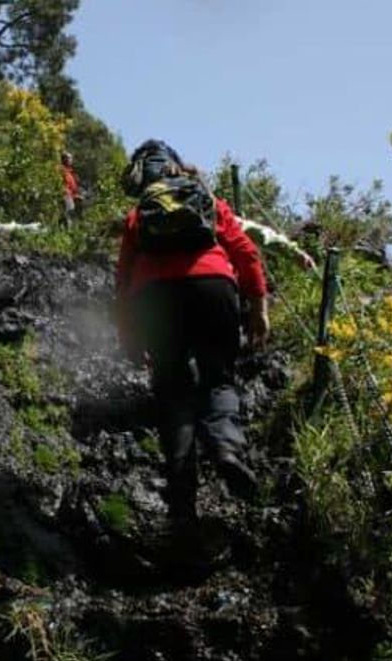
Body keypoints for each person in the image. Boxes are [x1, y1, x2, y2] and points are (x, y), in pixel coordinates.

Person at [115, 140, 269, 511]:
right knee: (218, 377)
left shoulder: (140, 213)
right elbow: (246, 252)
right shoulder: (208, 201)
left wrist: (130, 335)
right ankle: (227, 450)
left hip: (155, 297)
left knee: (172, 389)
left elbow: (122, 281)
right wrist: (258, 306)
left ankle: (182, 483)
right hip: (213, 286)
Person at [60, 150, 81, 226]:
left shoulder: (70, 172)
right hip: (66, 196)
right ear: (64, 159)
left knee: (70, 216)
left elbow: (73, 187)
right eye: (69, 158)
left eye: (71, 158)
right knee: (67, 216)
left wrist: (76, 195)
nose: (71, 160)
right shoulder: (61, 170)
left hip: (71, 196)